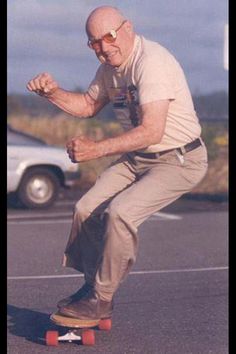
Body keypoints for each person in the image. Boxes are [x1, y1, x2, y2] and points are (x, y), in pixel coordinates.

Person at [26, 6, 208, 324]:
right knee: (85, 208)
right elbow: (86, 105)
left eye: (108, 37)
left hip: (180, 158)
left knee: (121, 212)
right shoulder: (110, 68)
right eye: (94, 43)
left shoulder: (152, 62)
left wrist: (96, 149)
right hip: (140, 157)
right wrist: (52, 93)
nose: (103, 47)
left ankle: (102, 299)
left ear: (127, 28)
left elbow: (153, 131)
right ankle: (91, 287)